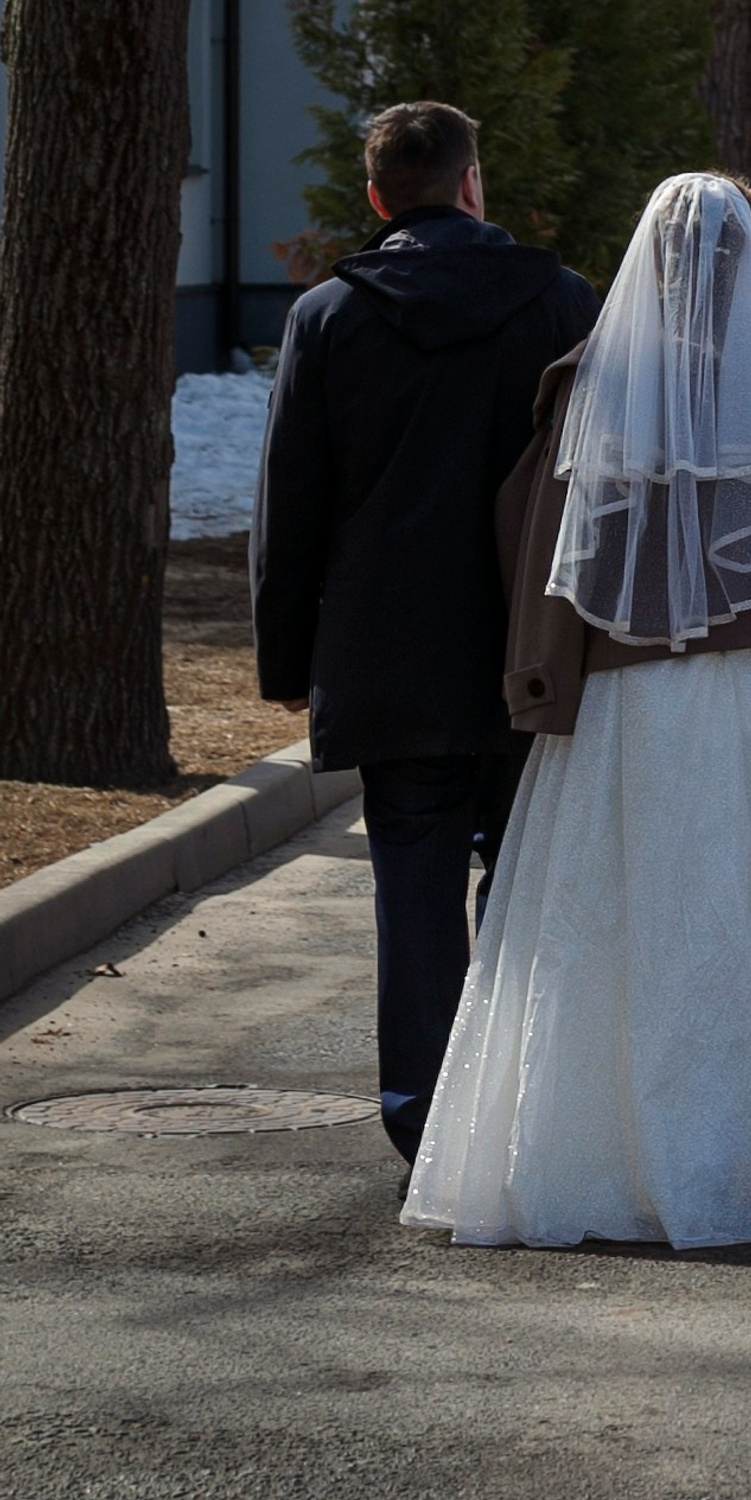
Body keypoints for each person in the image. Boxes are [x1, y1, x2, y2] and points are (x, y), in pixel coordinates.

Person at [403, 174, 751, 1250]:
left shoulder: (595, 376)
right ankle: (746, 1154)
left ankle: (629, 1159)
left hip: (634, 700)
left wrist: (542, 677)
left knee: (633, 933)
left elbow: (538, 537)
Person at [252, 102, 601, 1172]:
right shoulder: (563, 303)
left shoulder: (326, 317)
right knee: (529, 884)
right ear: (473, 184)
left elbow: (292, 500)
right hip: (529, 645)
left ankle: (424, 1117)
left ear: (375, 197)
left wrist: (286, 660)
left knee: (412, 888)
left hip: (389, 651)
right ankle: (520, 1101)